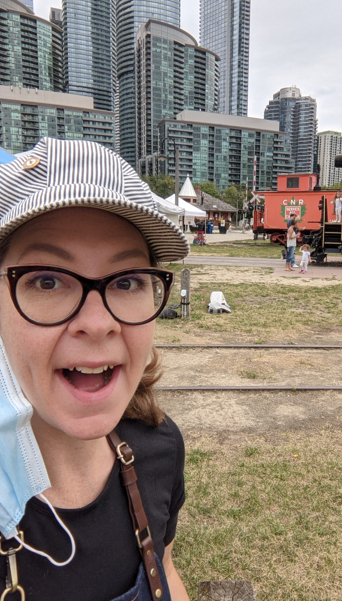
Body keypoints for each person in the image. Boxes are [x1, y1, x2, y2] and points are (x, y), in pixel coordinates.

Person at [0, 138, 191, 601]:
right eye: (47, 279)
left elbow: (162, 564)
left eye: (126, 281)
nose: (98, 323)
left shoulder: (159, 448)